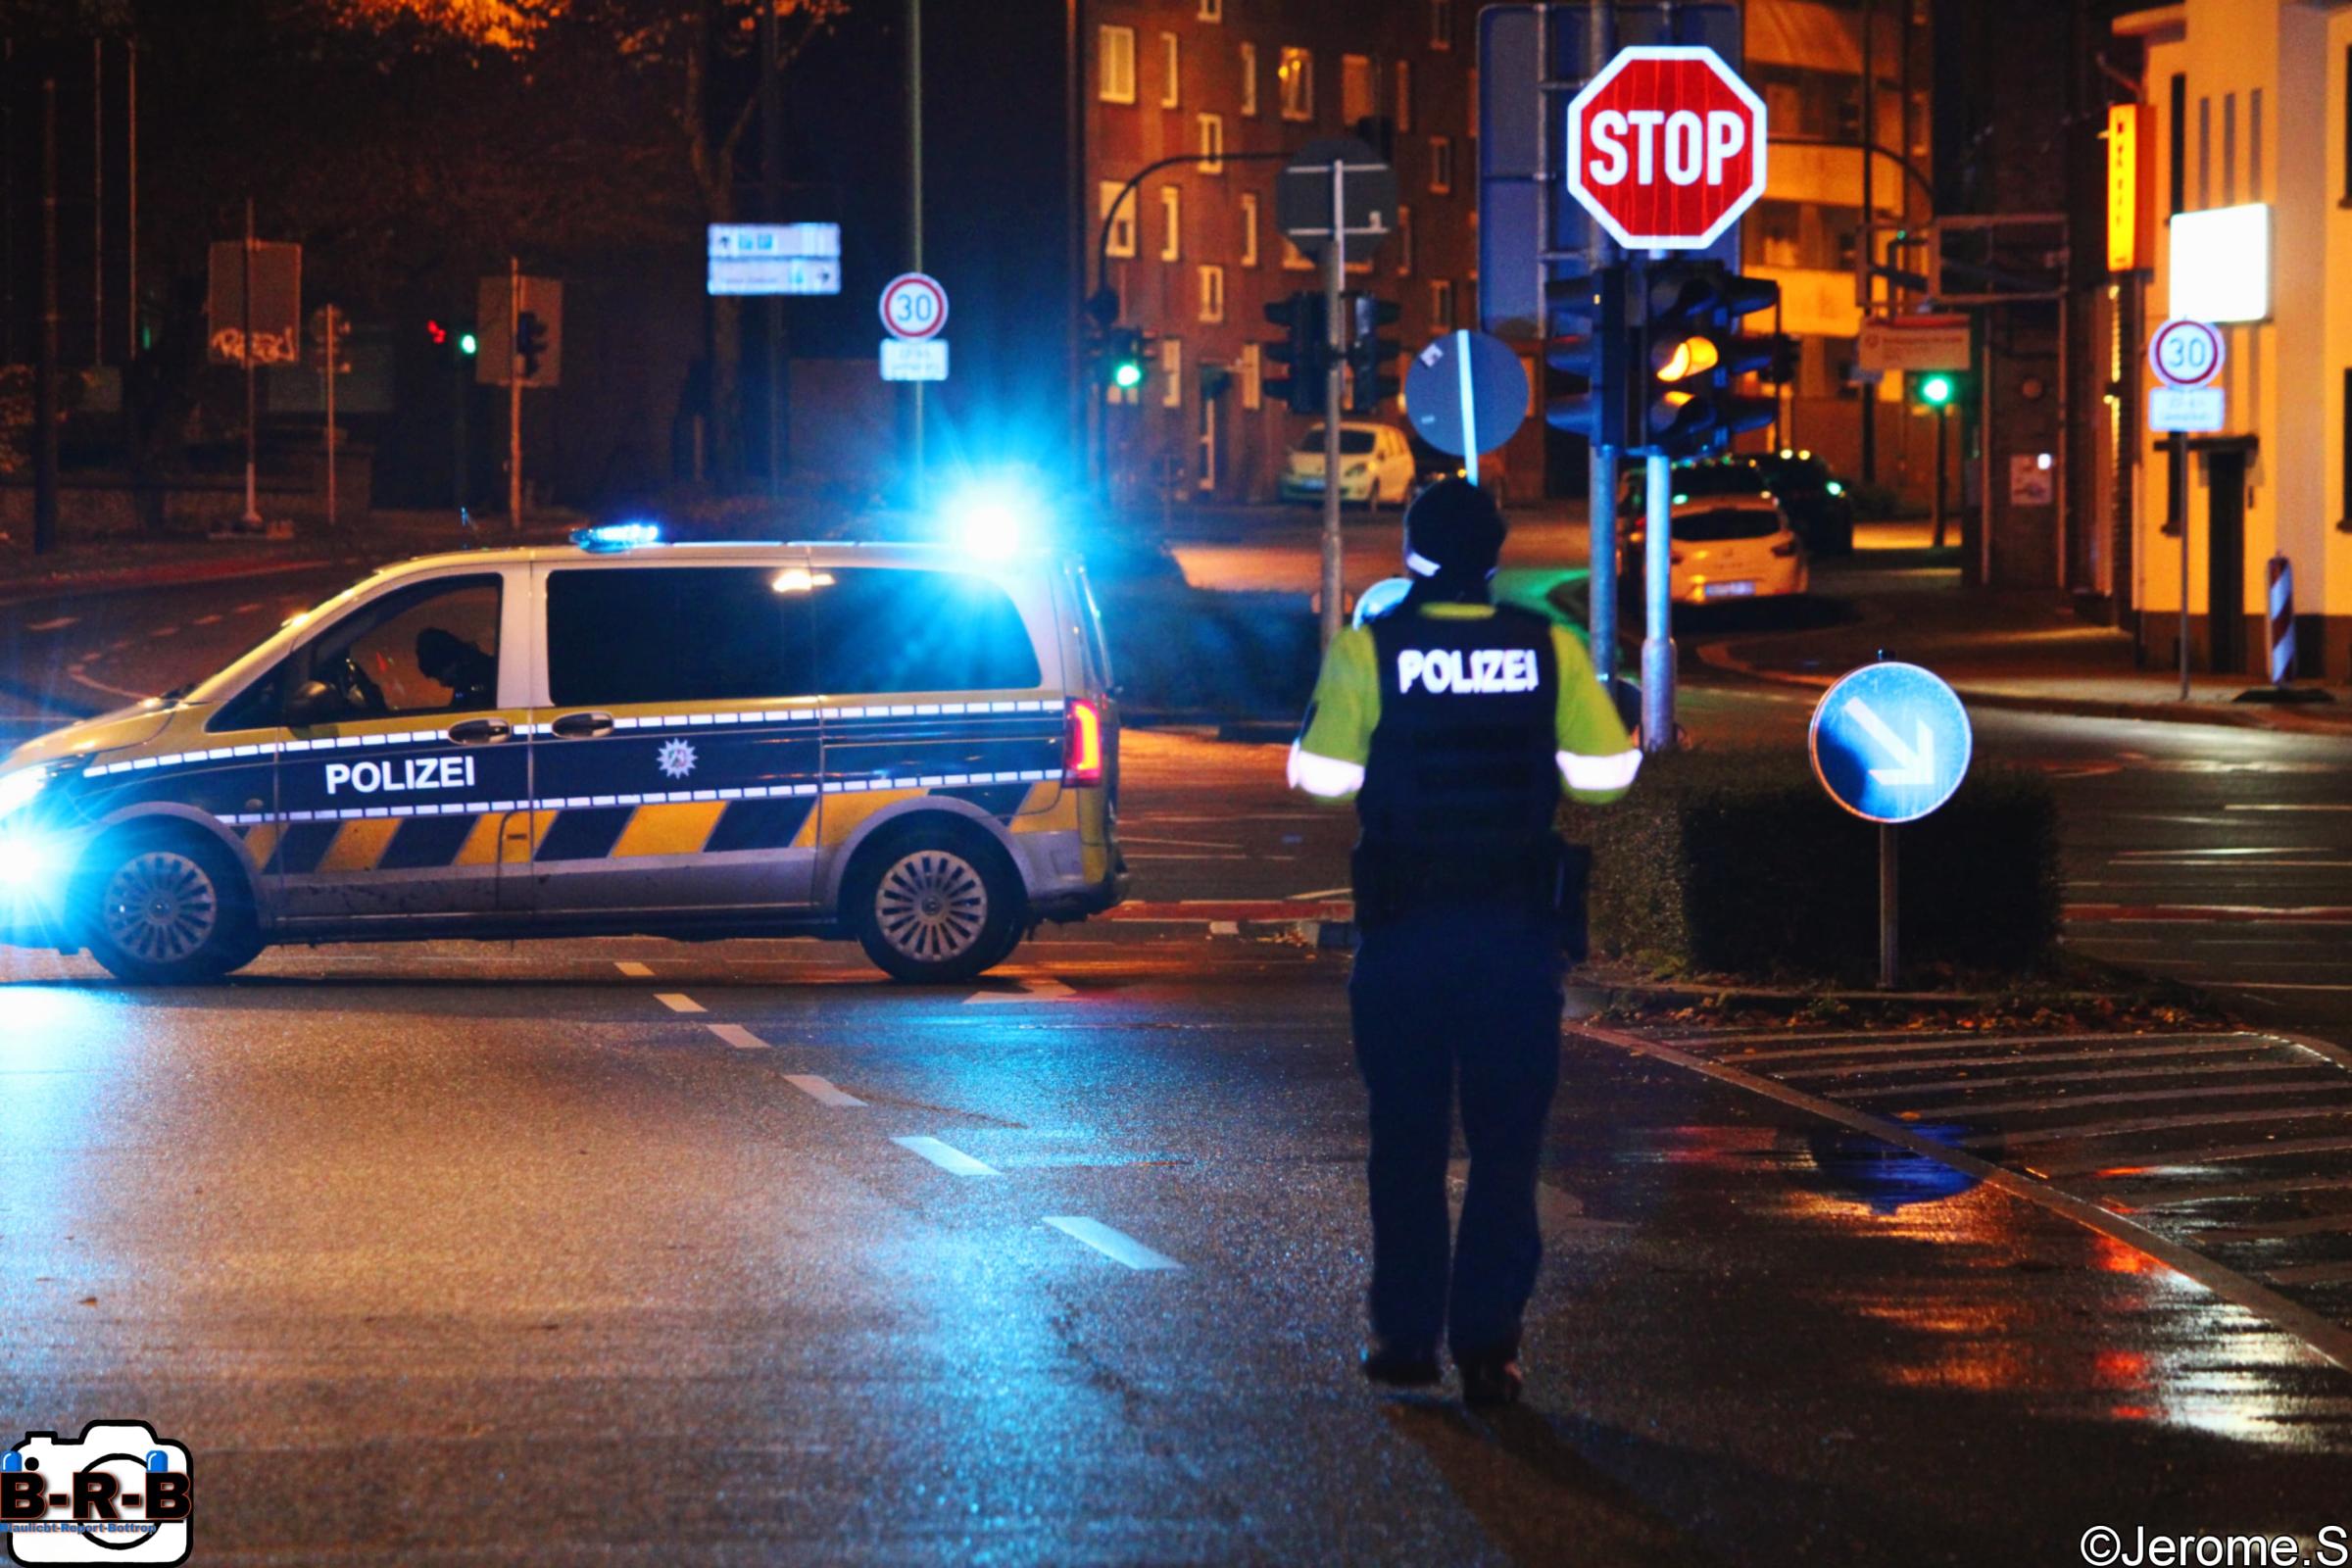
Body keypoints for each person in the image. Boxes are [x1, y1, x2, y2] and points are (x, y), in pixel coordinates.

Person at [1288, 478, 1641, 1407]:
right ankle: (1490, 1347)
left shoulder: (1373, 649)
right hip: (1515, 939)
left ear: (1410, 552)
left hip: (1406, 938)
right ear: (1498, 555)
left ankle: (1406, 1340)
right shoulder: (1547, 646)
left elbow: (1323, 779)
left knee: (1405, 1142)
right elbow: (1606, 779)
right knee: (1506, 1146)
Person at [415, 627, 497, 710]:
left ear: (450, 662)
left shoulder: (476, 678)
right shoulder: (469, 676)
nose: (442, 684)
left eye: (440, 676)